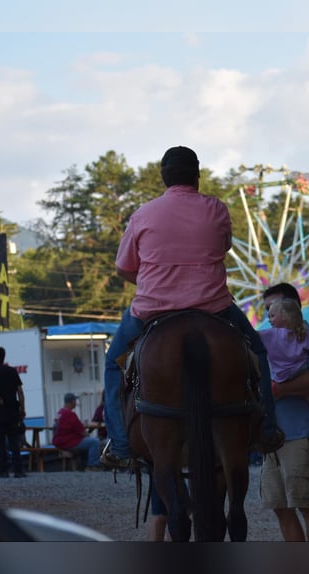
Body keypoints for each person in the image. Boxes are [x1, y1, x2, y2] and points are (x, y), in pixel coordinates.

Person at [102, 145, 283, 470]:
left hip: (152, 311)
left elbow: (123, 267)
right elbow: (222, 247)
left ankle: (120, 445)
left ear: (163, 178)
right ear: (197, 176)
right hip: (213, 308)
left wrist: (150, 284)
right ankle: (266, 430)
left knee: (113, 366)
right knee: (259, 354)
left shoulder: (142, 214)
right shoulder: (216, 209)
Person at [259, 283, 309, 542]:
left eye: (273, 308)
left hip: (301, 431)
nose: (268, 315)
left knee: (305, 504)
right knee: (280, 507)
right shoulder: (268, 339)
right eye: (266, 309)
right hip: (272, 434)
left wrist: (279, 390)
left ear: (292, 307)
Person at [261, 297, 309, 457]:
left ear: (285, 316)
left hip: (279, 378)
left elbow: (251, 338)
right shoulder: (303, 335)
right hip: (300, 374)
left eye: (272, 315)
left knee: (266, 403)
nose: (269, 319)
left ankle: (262, 431)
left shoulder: (270, 335)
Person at [0, 346, 27, 478]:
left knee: (0, 441)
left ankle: (2, 469)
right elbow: (20, 391)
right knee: (14, 440)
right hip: (13, 410)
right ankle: (18, 470)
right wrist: (22, 408)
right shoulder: (12, 371)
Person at [53, 393, 103, 471]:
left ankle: (84, 465)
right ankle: (93, 465)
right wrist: (88, 435)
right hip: (68, 442)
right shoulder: (70, 414)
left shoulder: (60, 413)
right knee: (95, 442)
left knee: (87, 442)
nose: (76, 403)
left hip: (59, 441)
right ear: (72, 402)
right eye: (75, 401)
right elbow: (82, 431)